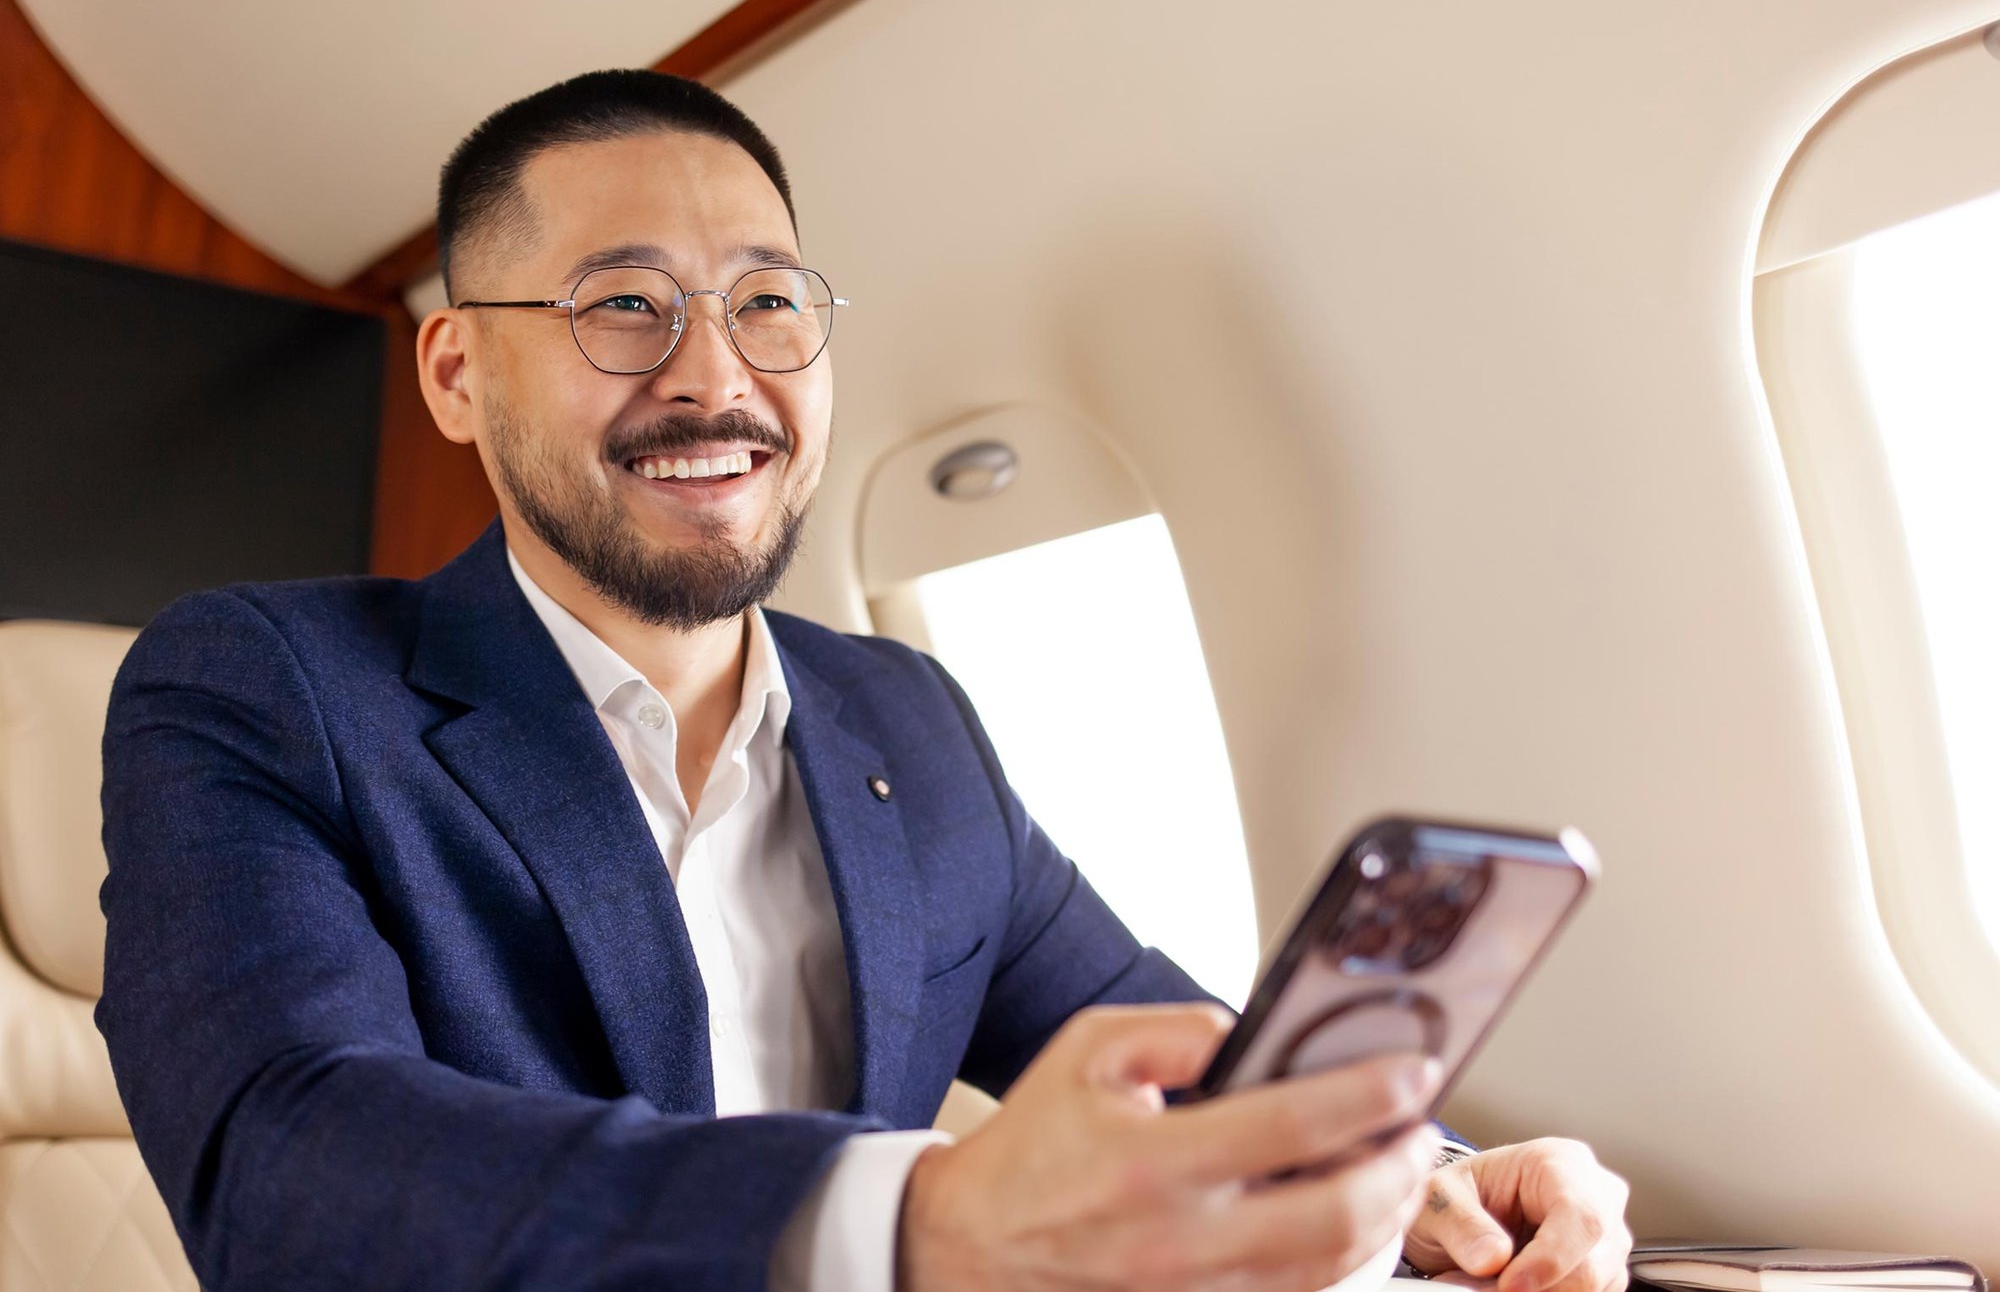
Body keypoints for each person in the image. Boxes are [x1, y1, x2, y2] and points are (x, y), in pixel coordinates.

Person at [97, 69, 1632, 1292]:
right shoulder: (260, 683)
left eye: (768, 302)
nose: (713, 374)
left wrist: (1422, 1166)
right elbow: (285, 1158)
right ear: (456, 375)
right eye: (621, 304)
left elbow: (1166, 1037)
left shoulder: (909, 718)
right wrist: (922, 1219)